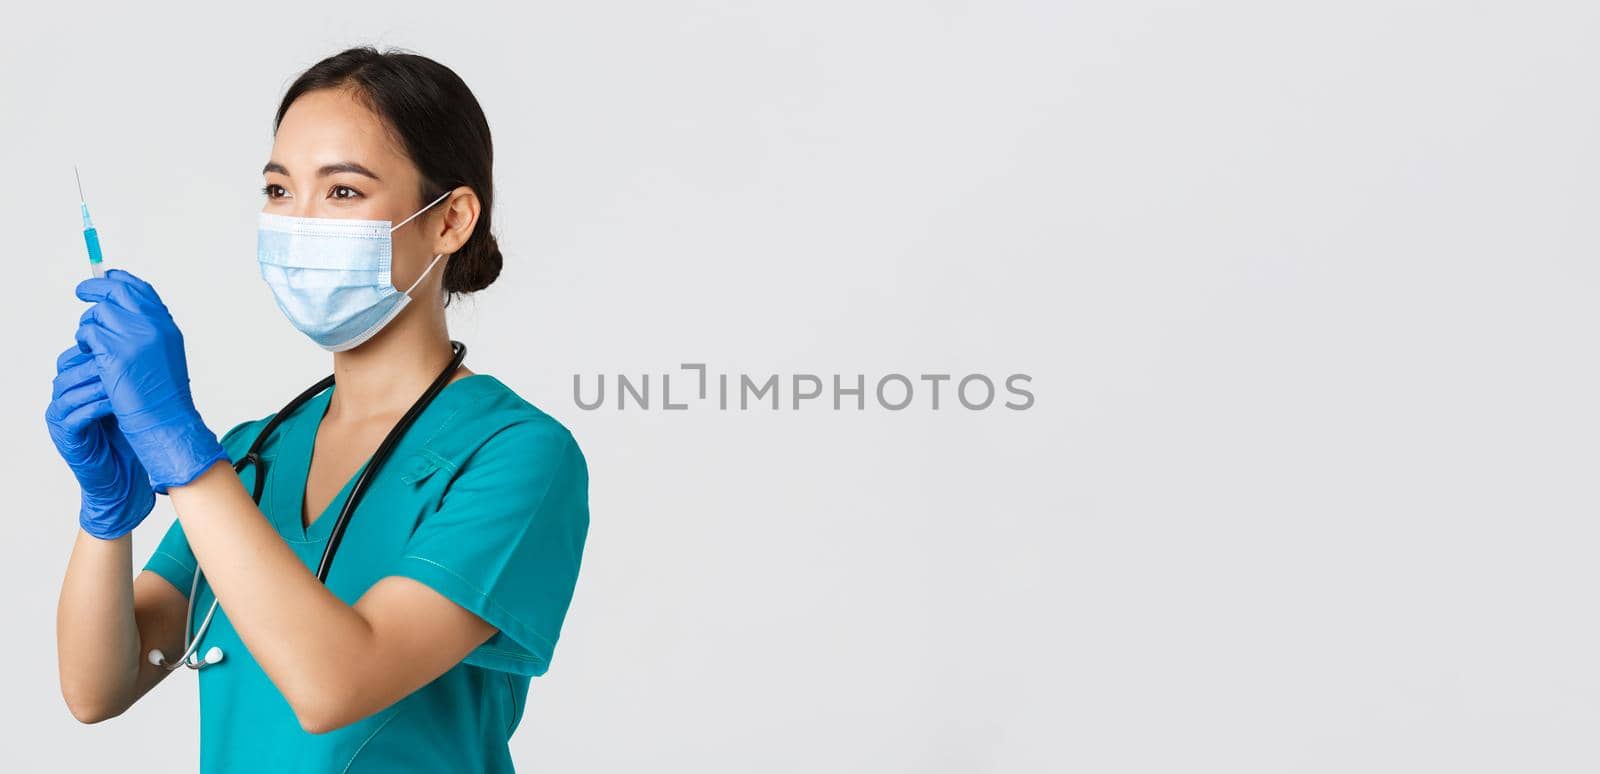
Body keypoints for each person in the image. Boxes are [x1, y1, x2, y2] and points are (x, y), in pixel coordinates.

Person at [45, 47, 590, 772]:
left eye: (342, 193)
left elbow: (337, 685)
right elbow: (98, 687)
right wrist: (104, 516)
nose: (298, 223)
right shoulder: (253, 455)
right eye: (278, 191)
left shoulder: (515, 453)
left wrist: (180, 450)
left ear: (452, 219)